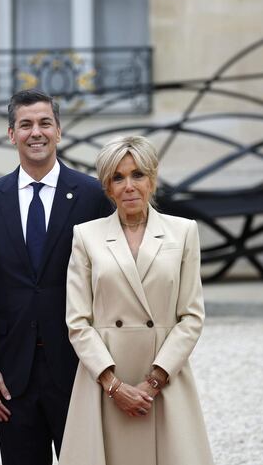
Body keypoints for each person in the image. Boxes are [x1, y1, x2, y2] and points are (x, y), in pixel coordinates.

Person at [0, 89, 112, 465]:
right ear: (11, 134)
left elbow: (107, 283)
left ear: (59, 131)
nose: (36, 132)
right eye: (26, 124)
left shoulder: (92, 195)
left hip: (78, 368)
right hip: (12, 376)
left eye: (45, 123)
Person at [59, 135, 213, 465]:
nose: (129, 186)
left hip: (165, 379)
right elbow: (77, 321)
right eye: (118, 177)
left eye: (138, 175)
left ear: (153, 180)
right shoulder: (86, 236)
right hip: (105, 383)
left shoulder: (183, 232)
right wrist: (114, 386)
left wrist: (155, 380)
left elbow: (191, 316)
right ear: (107, 187)